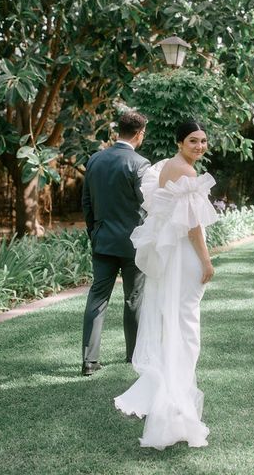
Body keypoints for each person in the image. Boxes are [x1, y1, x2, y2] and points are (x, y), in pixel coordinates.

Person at [114, 121, 218, 450]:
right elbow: (192, 226)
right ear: (179, 142)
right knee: (186, 324)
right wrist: (206, 260)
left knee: (174, 319)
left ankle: (173, 388)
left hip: (173, 256)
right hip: (185, 257)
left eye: (203, 141)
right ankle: (177, 400)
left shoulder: (169, 168)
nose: (199, 146)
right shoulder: (185, 172)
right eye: (193, 140)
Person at [81, 111, 151, 376]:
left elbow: (86, 203)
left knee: (97, 298)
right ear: (139, 133)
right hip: (134, 244)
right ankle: (133, 354)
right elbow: (147, 204)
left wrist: (94, 232)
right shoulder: (140, 163)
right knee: (133, 299)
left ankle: (89, 361)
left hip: (102, 241)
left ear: (118, 131)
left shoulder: (95, 160)